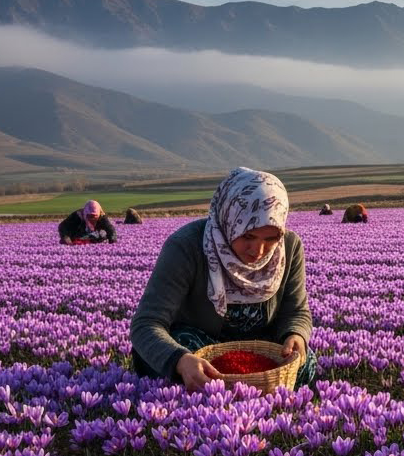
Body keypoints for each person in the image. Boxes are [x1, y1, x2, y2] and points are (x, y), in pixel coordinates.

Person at [130, 167, 317, 391]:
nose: (258, 250)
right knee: (181, 348)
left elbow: (296, 311)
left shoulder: (289, 246)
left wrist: (295, 334)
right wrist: (180, 360)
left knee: (305, 363)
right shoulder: (185, 247)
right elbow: (146, 324)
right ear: (229, 220)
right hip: (201, 348)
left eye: (271, 238)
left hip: (258, 350)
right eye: (248, 235)